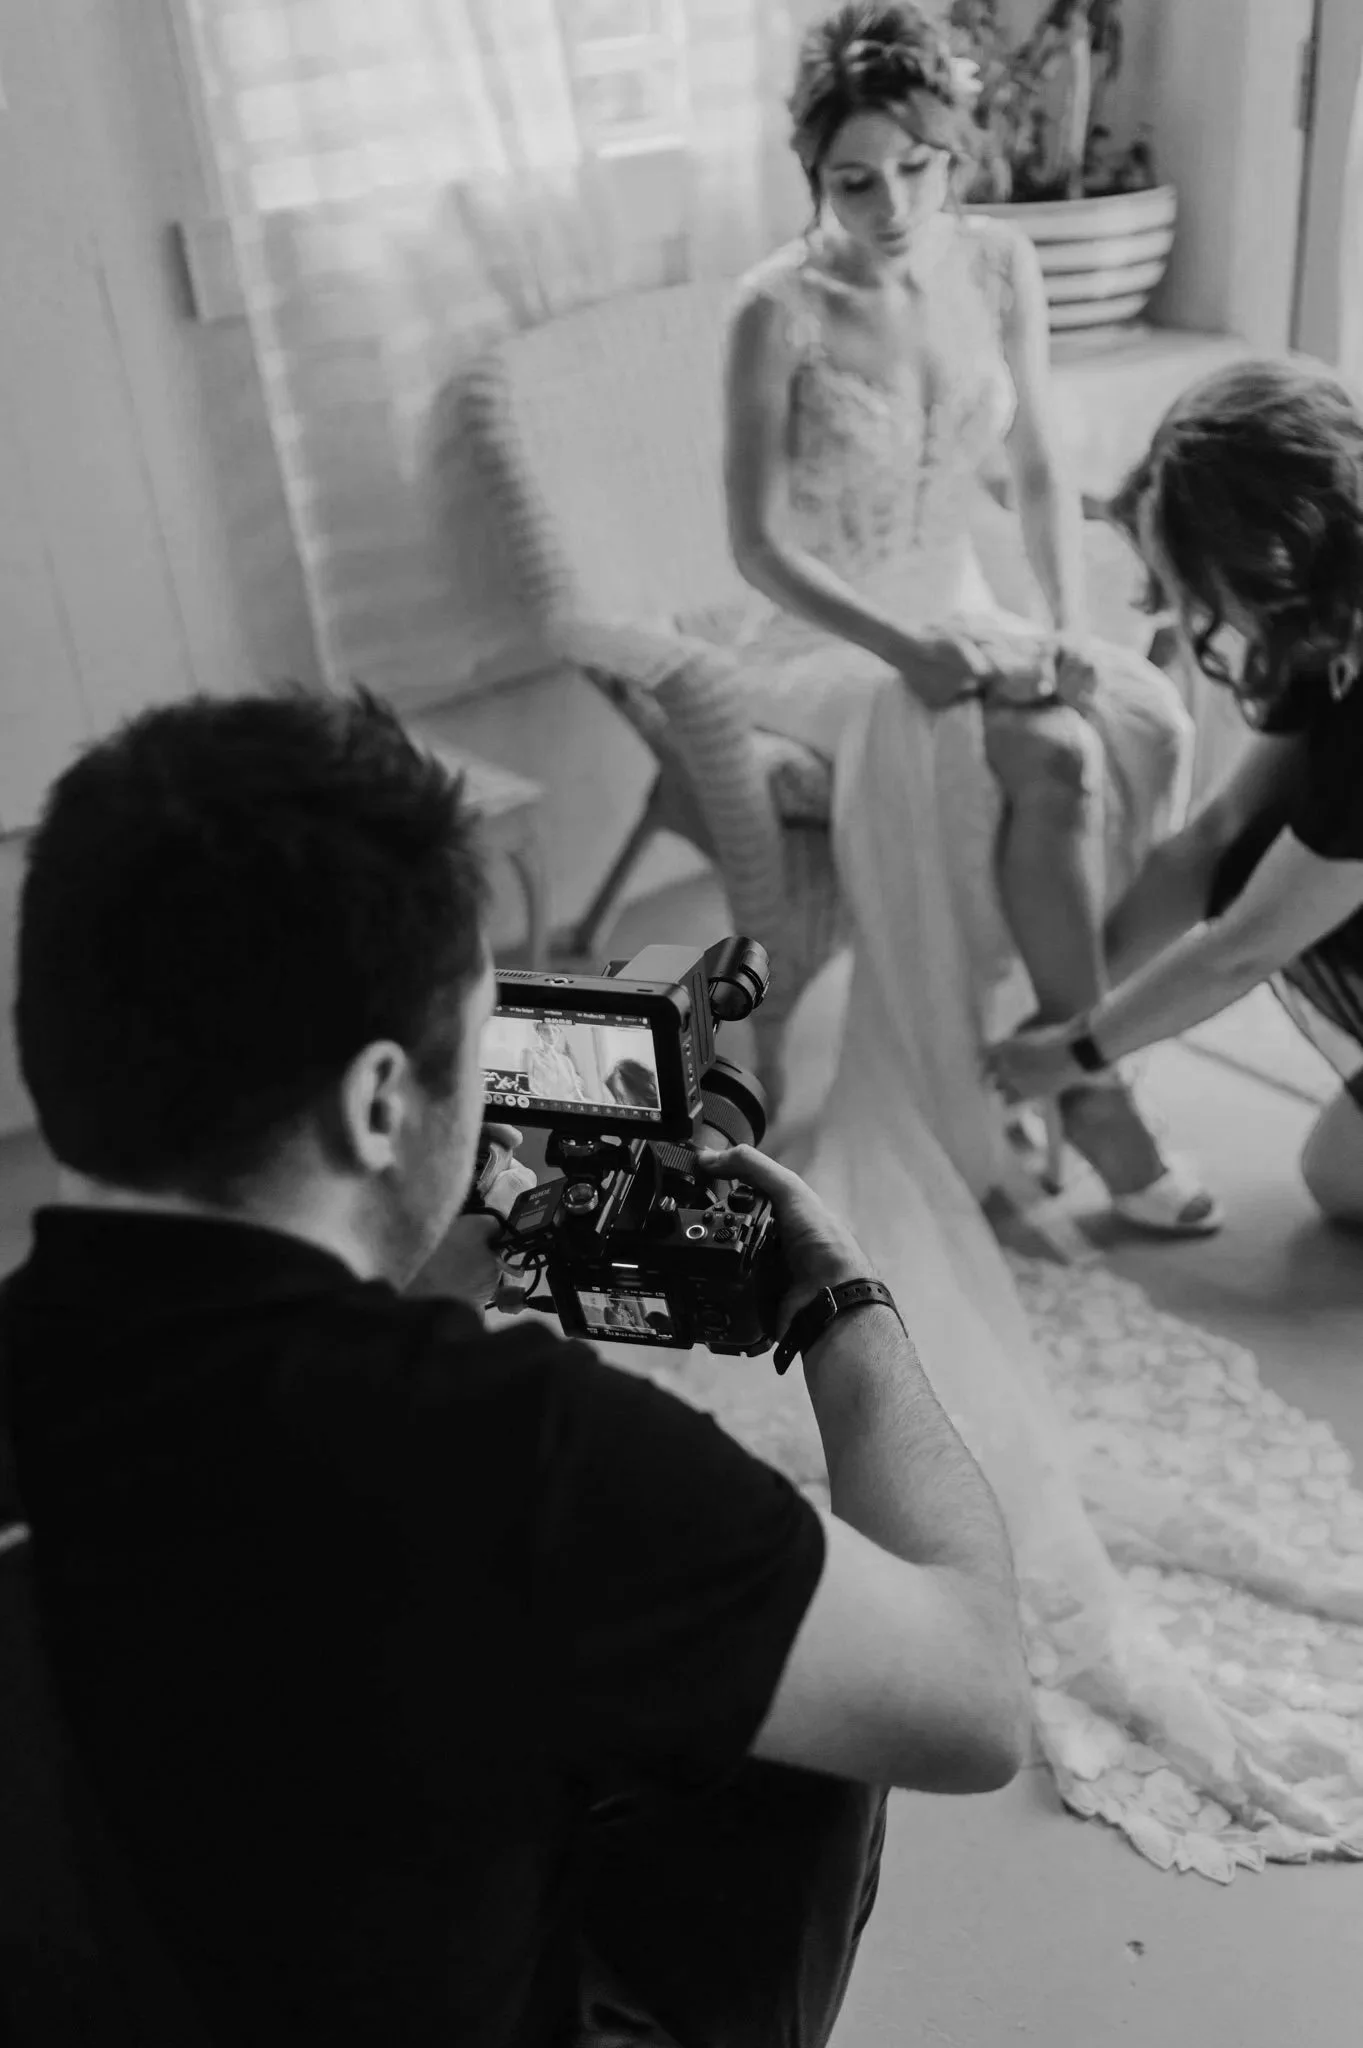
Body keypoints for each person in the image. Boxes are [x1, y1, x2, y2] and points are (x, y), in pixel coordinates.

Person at [0, 689, 1033, 2048]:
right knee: (781, 1717)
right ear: (380, 1101)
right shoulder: (518, 1451)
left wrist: (405, 1289)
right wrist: (843, 1308)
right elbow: (974, 1700)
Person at [724, 1, 1216, 1232]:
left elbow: (1040, 467)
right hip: (827, 636)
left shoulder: (999, 264)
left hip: (968, 601)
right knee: (1046, 755)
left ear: (953, 150)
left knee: (1137, 717)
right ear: (811, 172)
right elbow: (758, 547)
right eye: (854, 180)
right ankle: (1091, 1092)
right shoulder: (771, 311)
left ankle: (1056, 1034)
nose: (891, 203)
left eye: (917, 167)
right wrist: (906, 648)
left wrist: (1065, 625)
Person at [988, 360, 1363, 1225]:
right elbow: (1211, 836)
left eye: (1200, 583)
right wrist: (1066, 1002)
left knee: (1338, 1184)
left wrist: (1068, 1057)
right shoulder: (1323, 619)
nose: (1201, 611)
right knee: (1335, 1177)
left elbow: (1244, 947)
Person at [527, 1017, 588, 1102]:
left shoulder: (566, 1061)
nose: (551, 1035)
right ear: (538, 1032)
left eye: (555, 1030)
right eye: (545, 1030)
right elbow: (530, 1089)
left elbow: (576, 1093)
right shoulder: (531, 1055)